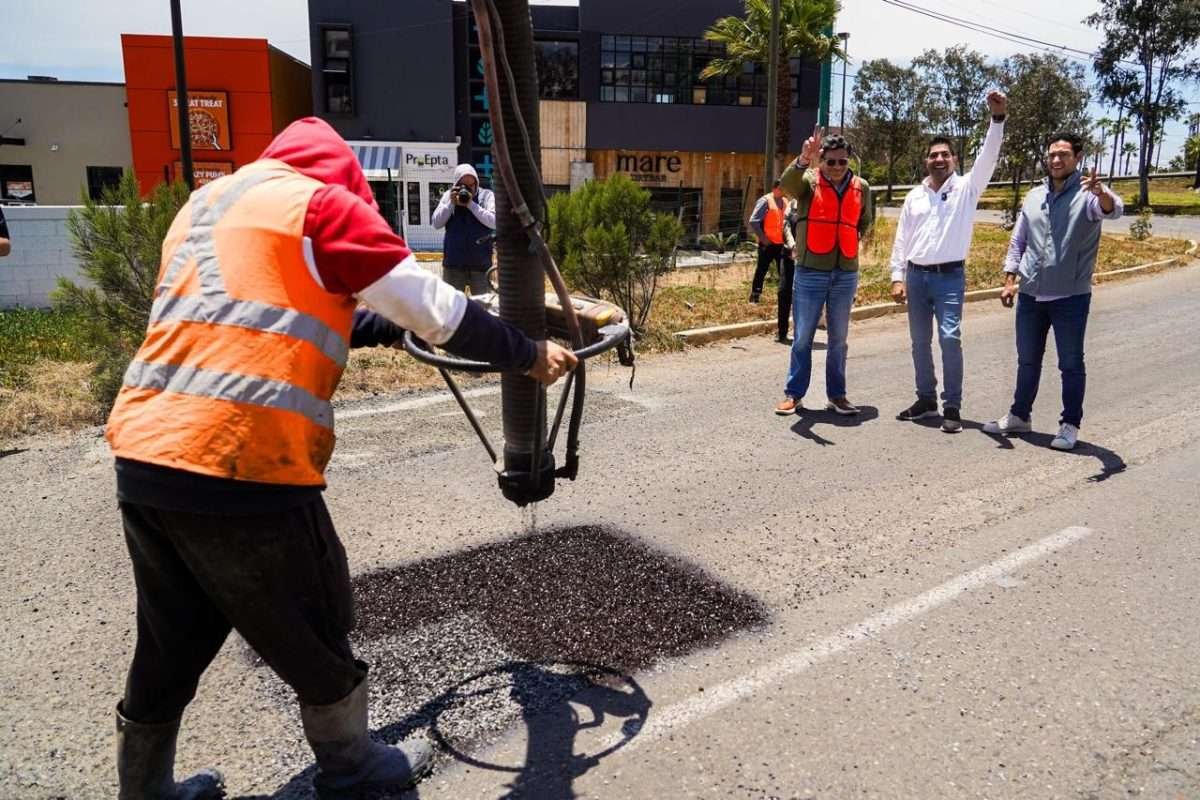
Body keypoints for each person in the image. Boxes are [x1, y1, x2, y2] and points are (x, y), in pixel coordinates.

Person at [104, 117, 577, 800]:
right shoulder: (323, 205)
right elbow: (435, 309)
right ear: (345, 182)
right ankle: (352, 767)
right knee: (316, 609)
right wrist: (527, 355)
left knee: (173, 631)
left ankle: (143, 788)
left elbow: (279, 305)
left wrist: (383, 326)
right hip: (241, 456)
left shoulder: (211, 203)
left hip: (146, 452)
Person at [982, 132, 1123, 450]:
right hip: (1031, 294)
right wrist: (1009, 279)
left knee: (1071, 363)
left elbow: (1113, 210)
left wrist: (1102, 194)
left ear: (1077, 158)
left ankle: (1069, 424)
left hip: (1070, 297)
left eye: (1064, 154)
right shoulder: (1034, 196)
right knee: (1027, 360)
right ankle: (1020, 416)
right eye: (1052, 155)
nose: (1056, 160)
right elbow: (1019, 240)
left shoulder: (1088, 194)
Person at [890, 91, 1008, 433]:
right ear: (926, 161)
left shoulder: (968, 188)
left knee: (950, 338)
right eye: (933, 155)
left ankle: (951, 406)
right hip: (916, 276)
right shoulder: (915, 195)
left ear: (954, 160)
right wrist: (897, 276)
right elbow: (902, 239)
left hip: (949, 278)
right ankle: (926, 400)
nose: (938, 159)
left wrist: (996, 120)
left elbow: (989, 155)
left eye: (944, 154)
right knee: (918, 342)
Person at [774, 130, 875, 417]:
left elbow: (865, 221)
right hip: (810, 271)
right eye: (830, 162)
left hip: (845, 273)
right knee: (803, 336)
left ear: (848, 160)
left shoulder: (861, 186)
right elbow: (787, 187)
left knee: (839, 340)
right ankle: (794, 395)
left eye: (842, 162)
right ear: (822, 161)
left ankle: (837, 395)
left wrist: (850, 243)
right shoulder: (809, 180)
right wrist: (804, 158)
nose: (837, 167)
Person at [431, 163, 496, 296]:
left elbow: (494, 222)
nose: (468, 190)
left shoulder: (486, 196)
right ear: (456, 184)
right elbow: (436, 223)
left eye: (471, 185)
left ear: (476, 183)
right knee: (451, 309)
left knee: (483, 309)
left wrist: (471, 204)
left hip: (481, 266)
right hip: (454, 265)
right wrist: (450, 204)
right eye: (463, 186)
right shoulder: (450, 196)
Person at [747, 179, 792, 310]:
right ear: (775, 188)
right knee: (761, 270)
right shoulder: (765, 201)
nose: (784, 191)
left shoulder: (785, 202)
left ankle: (785, 298)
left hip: (781, 244)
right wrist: (763, 238)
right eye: (782, 188)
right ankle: (755, 296)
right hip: (768, 244)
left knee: (784, 272)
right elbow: (754, 221)